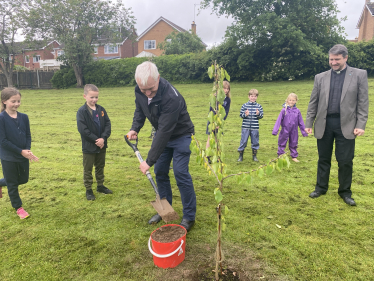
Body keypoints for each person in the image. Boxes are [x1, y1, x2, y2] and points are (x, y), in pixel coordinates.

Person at [126, 61, 196, 232]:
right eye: (144, 90)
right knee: (160, 172)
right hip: (163, 134)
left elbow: (164, 131)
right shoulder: (140, 90)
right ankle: (166, 209)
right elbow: (140, 109)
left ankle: (189, 217)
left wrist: (149, 160)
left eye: (151, 89)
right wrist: (135, 127)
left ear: (158, 78)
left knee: (180, 172)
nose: (148, 93)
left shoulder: (171, 98)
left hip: (181, 135)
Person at [305, 44, 369, 206]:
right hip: (324, 124)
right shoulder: (320, 77)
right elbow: (313, 102)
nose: (333, 62)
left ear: (345, 58)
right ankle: (320, 188)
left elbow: (363, 102)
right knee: (323, 158)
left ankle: (345, 192)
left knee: (345, 160)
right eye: (331, 59)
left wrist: (361, 124)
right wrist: (309, 122)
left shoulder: (359, 75)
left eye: (337, 59)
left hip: (347, 124)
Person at [0, 87, 39, 219]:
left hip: (23, 154)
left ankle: (0, 182)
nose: (16, 104)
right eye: (13, 101)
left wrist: (27, 150)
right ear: (4, 101)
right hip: (8, 157)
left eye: (18, 101)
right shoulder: (1, 118)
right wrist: (20, 151)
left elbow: (28, 135)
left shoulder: (24, 117)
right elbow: (3, 141)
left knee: (23, 179)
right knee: (12, 184)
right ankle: (18, 208)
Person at [77, 84, 112, 201]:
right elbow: (83, 130)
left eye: (96, 97)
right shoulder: (82, 112)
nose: (94, 100)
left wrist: (103, 138)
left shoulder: (101, 109)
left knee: (100, 166)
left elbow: (107, 124)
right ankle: (89, 189)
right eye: (91, 97)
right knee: (88, 168)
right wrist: (96, 140)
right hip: (89, 146)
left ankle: (100, 186)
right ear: (84, 96)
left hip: (102, 145)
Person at [272, 93, 308, 162]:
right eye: (290, 100)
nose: (291, 101)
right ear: (287, 100)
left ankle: (294, 156)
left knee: (294, 143)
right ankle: (280, 155)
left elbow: (301, 122)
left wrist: (304, 132)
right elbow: (278, 121)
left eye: (293, 100)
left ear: (296, 101)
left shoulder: (297, 111)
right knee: (282, 142)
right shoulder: (284, 110)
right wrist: (275, 131)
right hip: (285, 129)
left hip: (294, 130)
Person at [205, 81, 231, 164]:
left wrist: (220, 123)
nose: (226, 90)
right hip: (212, 121)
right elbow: (211, 110)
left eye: (228, 89)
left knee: (217, 139)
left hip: (220, 122)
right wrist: (213, 122)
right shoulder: (215, 98)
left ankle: (216, 156)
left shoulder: (228, 100)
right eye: (224, 88)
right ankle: (207, 156)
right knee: (210, 138)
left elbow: (226, 112)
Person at [237, 89, 263, 162]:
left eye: (255, 96)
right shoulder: (244, 106)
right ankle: (240, 156)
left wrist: (258, 114)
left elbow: (261, 116)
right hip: (245, 127)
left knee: (255, 142)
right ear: (248, 96)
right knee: (243, 141)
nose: (253, 98)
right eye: (252, 96)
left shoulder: (259, 106)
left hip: (255, 128)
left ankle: (254, 156)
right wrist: (245, 114)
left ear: (257, 97)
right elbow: (241, 115)